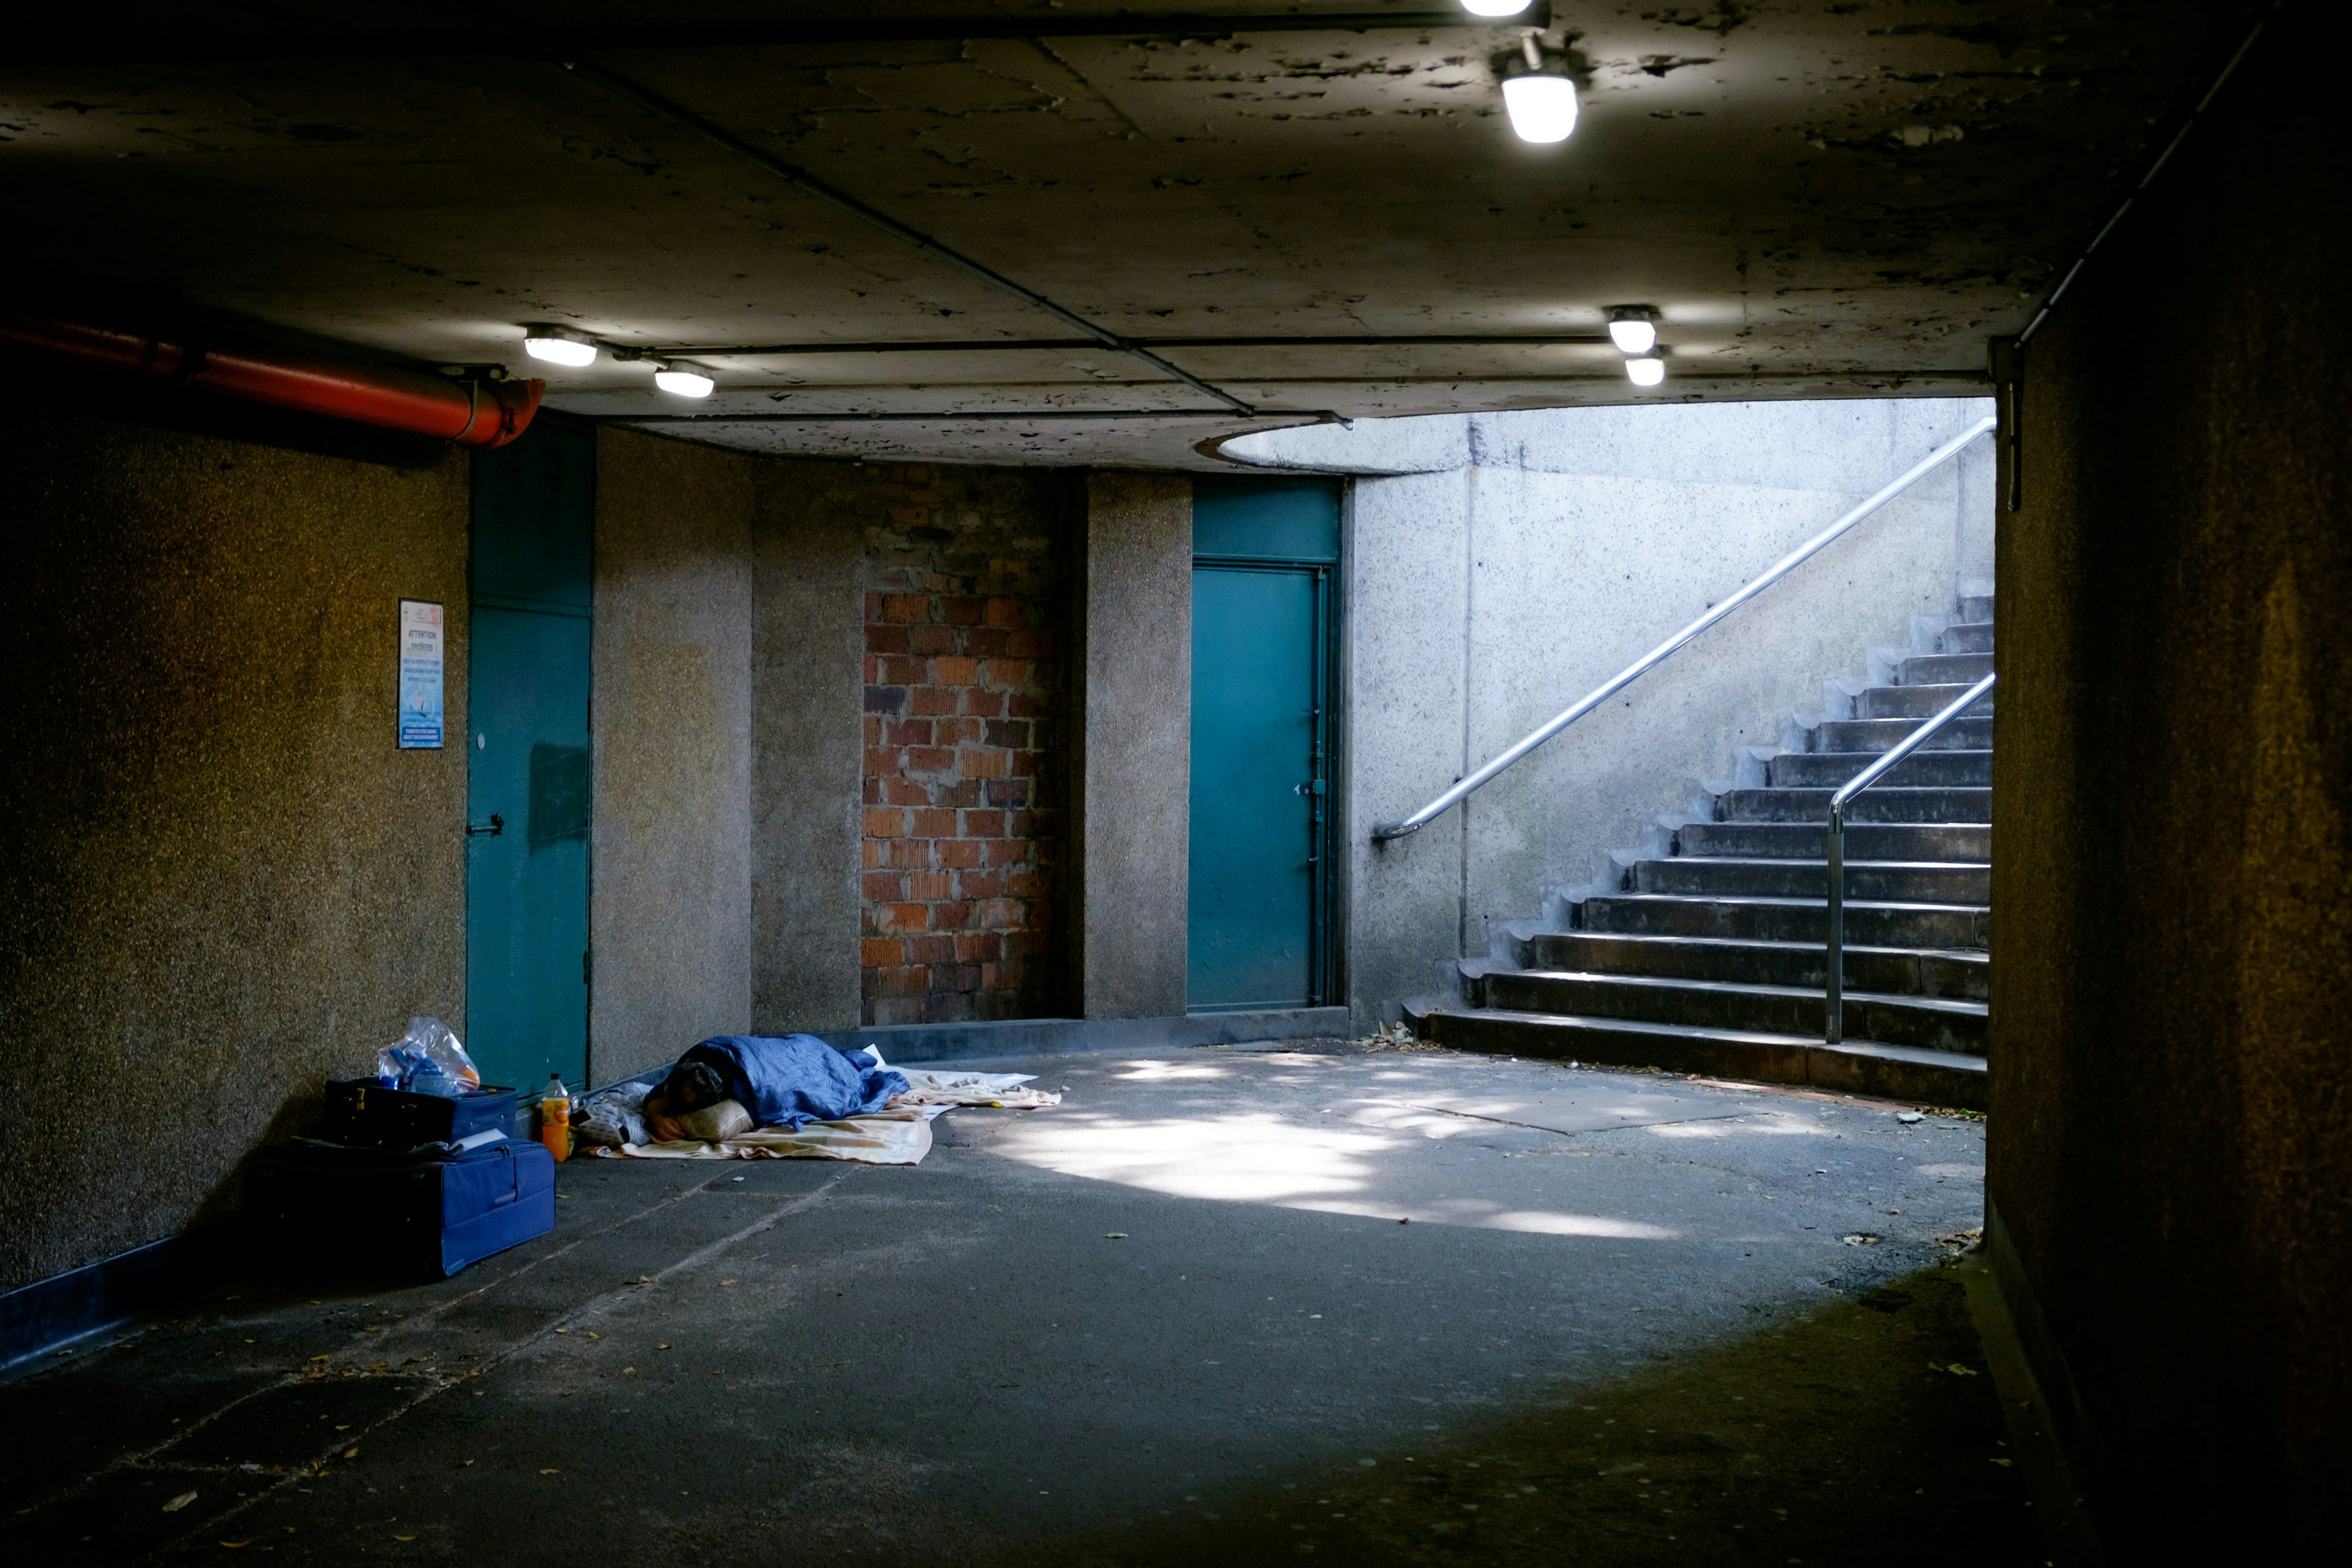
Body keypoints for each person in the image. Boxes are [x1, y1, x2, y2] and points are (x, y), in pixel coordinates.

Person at [639, 1058, 729, 1144]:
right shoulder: (684, 1068)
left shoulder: (739, 1081)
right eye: (683, 1093)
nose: (690, 1096)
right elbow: (654, 1098)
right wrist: (657, 1120)